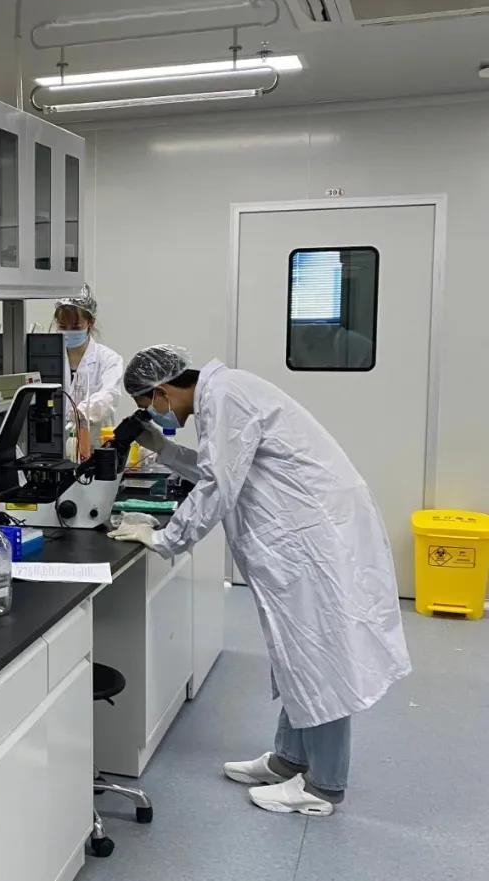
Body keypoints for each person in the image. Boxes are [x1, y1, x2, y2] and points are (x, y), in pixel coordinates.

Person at [111, 345, 410, 817]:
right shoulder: (222, 394)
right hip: (303, 533)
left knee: (318, 652)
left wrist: (166, 537)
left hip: (314, 537)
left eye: (148, 403)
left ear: (162, 390)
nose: (154, 413)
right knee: (296, 649)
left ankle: (323, 786)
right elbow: (222, 468)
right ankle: (290, 759)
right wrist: (164, 450)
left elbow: (217, 486)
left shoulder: (225, 397)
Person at [54, 285, 124, 457]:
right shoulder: (49, 359)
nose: (68, 332)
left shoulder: (108, 359)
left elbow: (110, 395)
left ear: (90, 322)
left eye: (76, 327)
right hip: (54, 451)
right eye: (63, 326)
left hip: (95, 450)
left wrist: (83, 411)